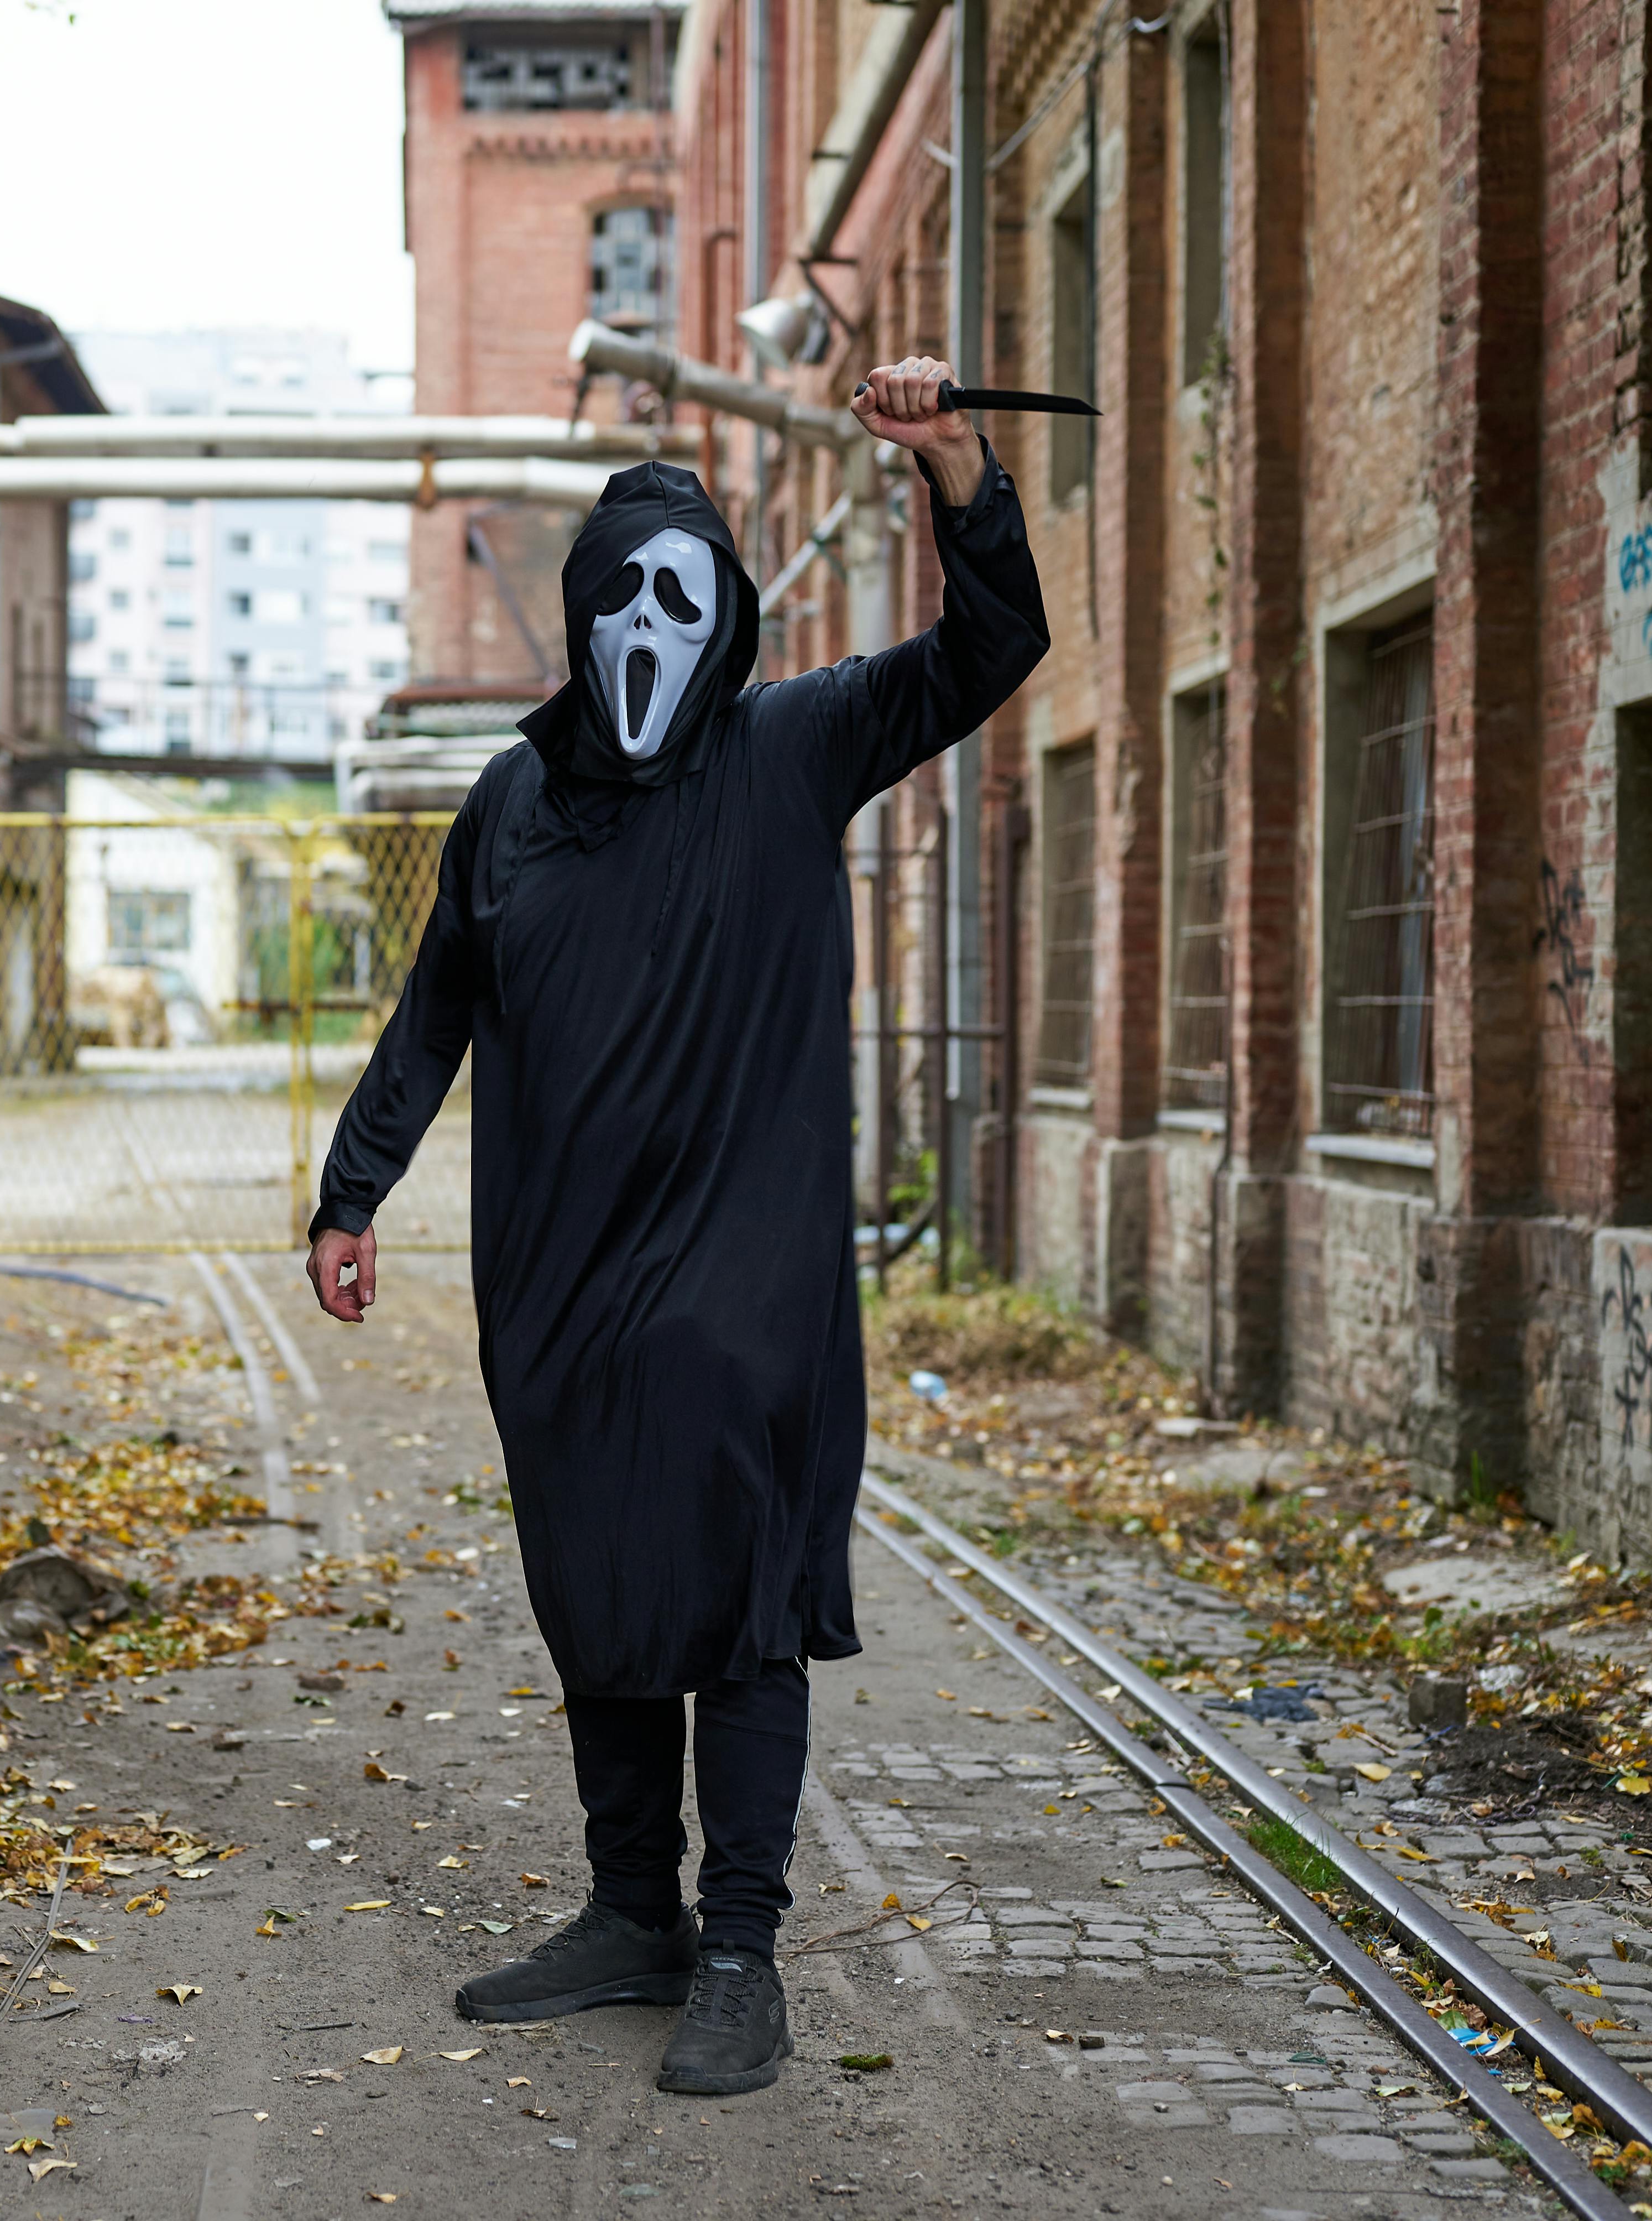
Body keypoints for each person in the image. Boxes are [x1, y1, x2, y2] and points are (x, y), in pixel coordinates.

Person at [299, 358, 1048, 2097]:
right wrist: (354, 1192)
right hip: (560, 1281)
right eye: (622, 594)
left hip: (742, 1274)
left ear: (727, 623)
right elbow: (434, 1012)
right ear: (577, 614)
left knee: (739, 1593)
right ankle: (631, 1913)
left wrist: (960, 477)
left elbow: (987, 654)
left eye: (683, 597)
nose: (650, 624)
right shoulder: (513, 801)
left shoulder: (793, 748)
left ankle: (741, 1949)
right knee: (601, 1579)